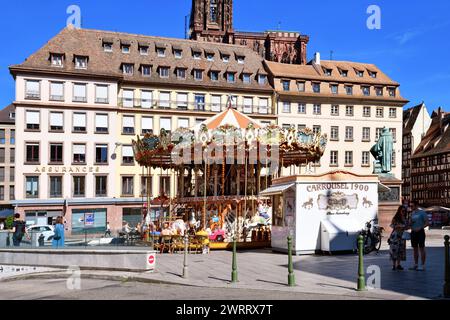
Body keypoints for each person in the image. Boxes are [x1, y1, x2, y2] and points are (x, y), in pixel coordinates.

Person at [408, 200, 429, 271]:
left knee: (421, 248)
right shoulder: (411, 213)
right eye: (410, 206)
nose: (410, 207)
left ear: (416, 205)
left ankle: (422, 265)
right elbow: (410, 224)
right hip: (413, 232)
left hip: (420, 232)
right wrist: (410, 224)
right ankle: (416, 265)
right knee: (415, 249)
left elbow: (427, 222)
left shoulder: (422, 212)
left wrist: (420, 227)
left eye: (412, 206)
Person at [388, 206, 407, 271]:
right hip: (395, 235)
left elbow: (406, 226)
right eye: (402, 211)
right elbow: (392, 225)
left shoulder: (405, 218)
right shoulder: (395, 218)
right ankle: (393, 265)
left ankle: (398, 264)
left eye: (404, 211)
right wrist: (398, 226)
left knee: (401, 250)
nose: (403, 212)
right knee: (394, 250)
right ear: (399, 211)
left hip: (402, 236)